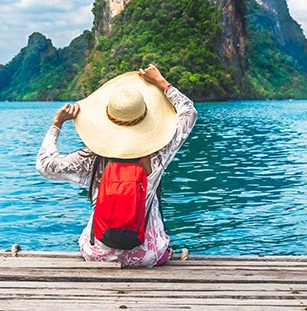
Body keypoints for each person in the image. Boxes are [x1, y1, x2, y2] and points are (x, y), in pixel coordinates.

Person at [35, 64, 198, 267]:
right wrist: (161, 82)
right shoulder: (157, 154)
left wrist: (57, 124)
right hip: (145, 256)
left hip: (97, 253)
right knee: (162, 246)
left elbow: (45, 165)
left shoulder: (92, 158)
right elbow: (189, 112)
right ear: (145, 117)